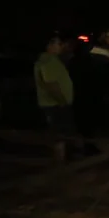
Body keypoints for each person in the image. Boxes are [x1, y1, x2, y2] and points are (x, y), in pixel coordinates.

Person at [34, 34, 76, 163]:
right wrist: (62, 101)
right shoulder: (49, 61)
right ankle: (60, 164)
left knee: (61, 134)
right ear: (50, 46)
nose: (62, 46)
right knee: (60, 135)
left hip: (55, 104)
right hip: (55, 104)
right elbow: (51, 84)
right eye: (59, 44)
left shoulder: (53, 60)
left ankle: (62, 162)